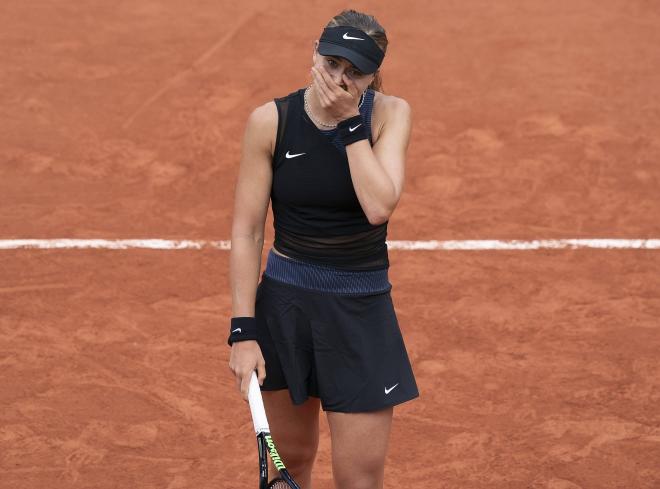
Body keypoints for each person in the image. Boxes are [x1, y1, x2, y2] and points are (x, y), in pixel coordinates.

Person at [228, 9, 418, 489]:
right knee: (287, 460)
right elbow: (248, 231)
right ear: (314, 52)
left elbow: (378, 205)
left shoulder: (390, 114)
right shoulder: (270, 121)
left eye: (356, 71)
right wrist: (242, 331)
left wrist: (350, 125)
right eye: (332, 63)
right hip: (287, 308)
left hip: (361, 311)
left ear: (374, 74)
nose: (340, 78)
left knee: (360, 476)